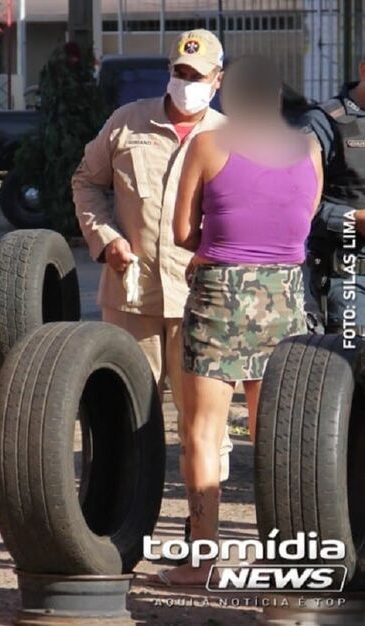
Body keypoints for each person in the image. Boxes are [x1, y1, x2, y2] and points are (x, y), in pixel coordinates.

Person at [161, 56, 322, 586]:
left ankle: (202, 559)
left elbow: (183, 231)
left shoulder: (208, 146)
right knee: (274, 434)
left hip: (220, 296)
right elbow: (299, 233)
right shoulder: (310, 151)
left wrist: (218, 247)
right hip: (285, 299)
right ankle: (286, 558)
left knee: (204, 431)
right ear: (276, 96)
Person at [72, 29, 233, 512]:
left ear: (217, 79)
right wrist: (106, 239)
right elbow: (86, 182)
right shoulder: (128, 122)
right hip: (131, 296)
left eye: (197, 76)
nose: (186, 83)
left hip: (201, 304)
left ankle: (199, 526)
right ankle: (121, 523)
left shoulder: (228, 138)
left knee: (203, 426)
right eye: (179, 73)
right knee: (124, 416)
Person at [302, 53, 365, 336]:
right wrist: (355, 219)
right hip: (349, 278)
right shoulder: (323, 123)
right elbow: (299, 208)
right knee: (350, 368)